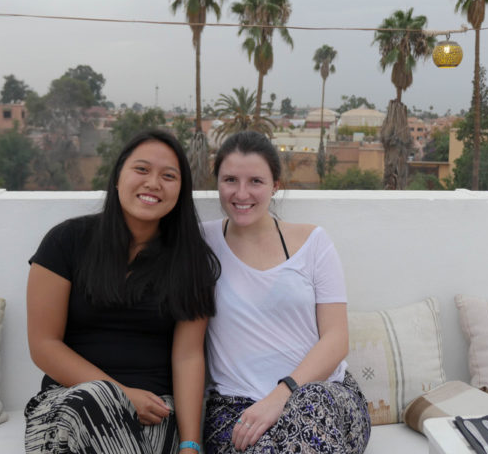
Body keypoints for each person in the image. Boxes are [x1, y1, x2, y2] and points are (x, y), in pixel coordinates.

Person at [25, 129, 221, 454]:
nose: (153, 183)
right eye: (141, 170)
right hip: (69, 403)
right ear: (117, 177)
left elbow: (188, 357)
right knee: (93, 399)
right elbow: (44, 345)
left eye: (168, 176)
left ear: (181, 191)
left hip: (155, 412)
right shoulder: (66, 242)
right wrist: (121, 394)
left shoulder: (191, 261)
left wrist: (190, 443)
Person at [202, 131, 371, 454]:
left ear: (276, 185)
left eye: (255, 181)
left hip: (325, 395)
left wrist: (282, 396)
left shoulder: (313, 243)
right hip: (236, 409)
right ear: (217, 183)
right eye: (230, 180)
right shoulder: (202, 244)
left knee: (311, 404)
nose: (241, 193)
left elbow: (336, 339)